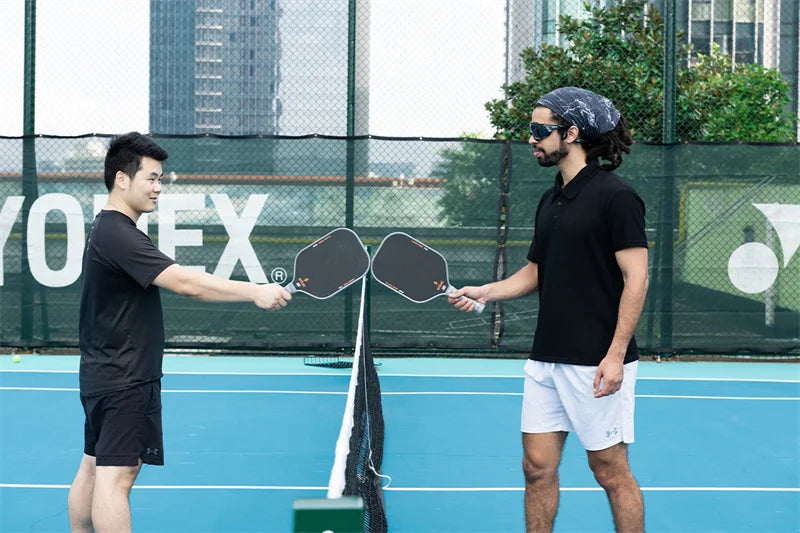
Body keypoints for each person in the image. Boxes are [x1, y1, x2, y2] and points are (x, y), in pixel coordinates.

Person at [67, 132, 292, 533]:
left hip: (105, 373)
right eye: (151, 178)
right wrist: (255, 292)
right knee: (117, 477)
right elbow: (187, 283)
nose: (158, 188)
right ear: (122, 179)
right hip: (125, 378)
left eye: (160, 179)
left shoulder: (107, 228)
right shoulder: (118, 233)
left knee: (93, 467)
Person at [449, 88, 649, 533]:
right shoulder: (551, 199)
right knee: (536, 467)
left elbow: (637, 278)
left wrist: (615, 354)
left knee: (609, 471)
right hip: (546, 359)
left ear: (572, 133)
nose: (532, 139)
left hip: (596, 359)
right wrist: (484, 291)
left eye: (541, 130)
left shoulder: (616, 197)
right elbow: (534, 273)